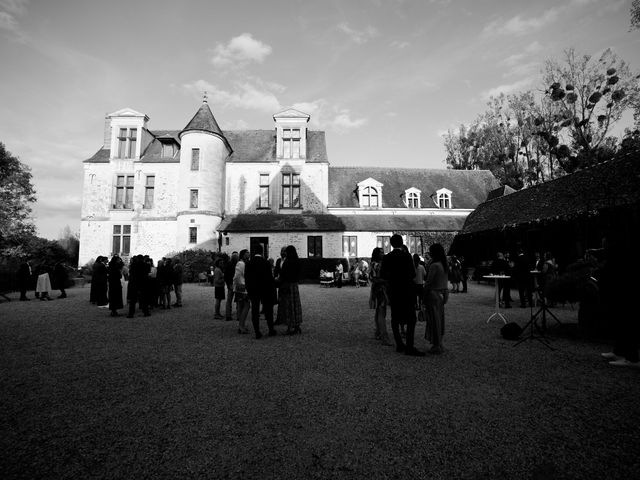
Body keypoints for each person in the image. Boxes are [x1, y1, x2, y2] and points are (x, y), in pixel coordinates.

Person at [599, 234, 639, 368]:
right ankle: (619, 351)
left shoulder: (621, 257)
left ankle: (632, 357)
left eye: (604, 244)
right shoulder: (615, 256)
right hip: (618, 293)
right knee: (620, 323)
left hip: (625, 293)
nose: (603, 246)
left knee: (627, 324)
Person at [381, 234, 424, 356]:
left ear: (391, 244)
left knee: (395, 317)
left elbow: (383, 275)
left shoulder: (387, 257)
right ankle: (409, 346)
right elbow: (412, 274)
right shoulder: (406, 256)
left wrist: (393, 278)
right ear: (401, 243)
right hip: (406, 290)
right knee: (411, 318)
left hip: (394, 290)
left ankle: (399, 344)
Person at [245, 244, 277, 339]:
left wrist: (248, 290)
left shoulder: (249, 263)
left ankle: (257, 332)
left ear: (253, 252)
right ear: (262, 251)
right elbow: (269, 278)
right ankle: (271, 329)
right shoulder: (266, 263)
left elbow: (247, 278)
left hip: (254, 290)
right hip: (265, 289)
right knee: (268, 310)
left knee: (255, 310)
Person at [424, 243, 449, 354]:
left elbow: (428, 282)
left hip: (433, 294)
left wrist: (423, 295)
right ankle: (440, 343)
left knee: (434, 320)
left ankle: (436, 345)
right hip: (443, 294)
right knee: (440, 319)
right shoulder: (444, 264)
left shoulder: (434, 265)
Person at [369, 247, 391, 346]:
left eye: (383, 252)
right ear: (376, 254)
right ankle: (384, 337)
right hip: (380, 289)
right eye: (381, 252)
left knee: (379, 311)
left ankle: (378, 332)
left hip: (377, 289)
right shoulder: (376, 264)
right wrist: (386, 281)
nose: (383, 254)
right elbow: (374, 278)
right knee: (382, 312)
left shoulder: (374, 263)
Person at [279, 245, 303, 335]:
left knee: (289, 306)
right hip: (295, 285)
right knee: (296, 305)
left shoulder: (287, 262)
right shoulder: (297, 261)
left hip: (288, 285)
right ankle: (297, 325)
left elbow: (283, 274)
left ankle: (290, 326)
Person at [233, 249, 251, 334]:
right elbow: (237, 277)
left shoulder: (244, 263)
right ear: (243, 255)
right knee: (246, 306)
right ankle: (241, 326)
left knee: (243, 306)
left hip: (242, 287)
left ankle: (242, 325)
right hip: (242, 287)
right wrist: (241, 286)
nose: (249, 254)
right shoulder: (241, 263)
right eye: (247, 253)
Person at [224, 251, 239, 321]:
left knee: (229, 301)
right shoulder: (238, 264)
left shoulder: (228, 264)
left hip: (231, 284)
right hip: (237, 284)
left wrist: (228, 284)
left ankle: (228, 315)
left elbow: (226, 276)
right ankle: (239, 316)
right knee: (239, 300)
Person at [274, 247, 287, 325]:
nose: (282, 252)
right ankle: (279, 319)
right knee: (280, 301)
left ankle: (286, 319)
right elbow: (276, 270)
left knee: (286, 302)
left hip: (286, 283)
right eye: (282, 251)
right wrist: (275, 277)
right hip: (280, 283)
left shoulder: (288, 261)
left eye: (284, 251)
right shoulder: (279, 260)